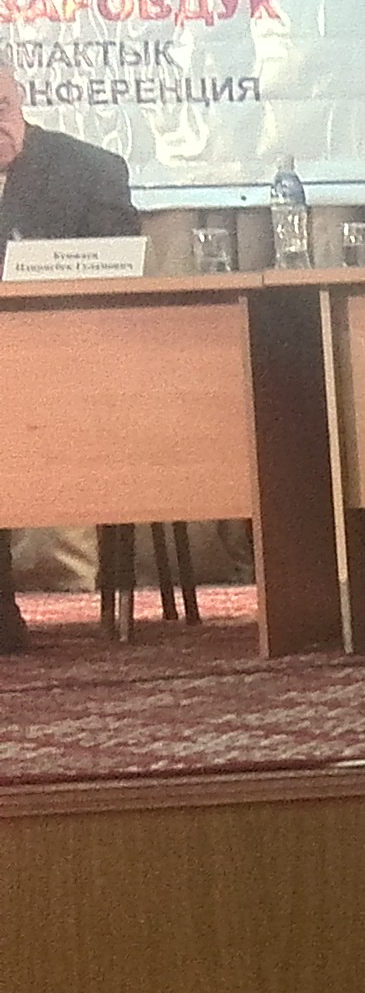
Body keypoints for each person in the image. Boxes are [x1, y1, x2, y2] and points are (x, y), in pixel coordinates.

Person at [0, 58, 139, 651]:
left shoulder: (88, 171)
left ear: (20, 100)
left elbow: (121, 280)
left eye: (1, 109)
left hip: (70, 371)